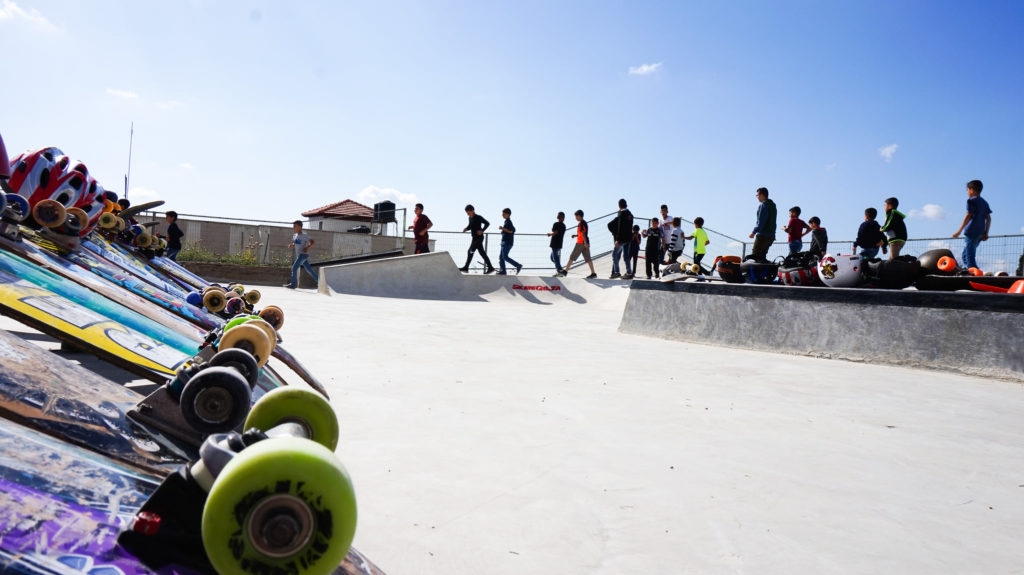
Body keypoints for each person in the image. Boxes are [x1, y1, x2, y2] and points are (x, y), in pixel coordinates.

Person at [952, 179, 992, 270]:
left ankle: (975, 274)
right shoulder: (984, 202)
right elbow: (988, 218)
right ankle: (971, 271)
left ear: (972, 190)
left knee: (970, 259)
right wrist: (986, 232)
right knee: (965, 256)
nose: (967, 192)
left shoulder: (971, 201)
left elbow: (968, 215)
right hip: (980, 232)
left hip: (971, 231)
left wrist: (959, 231)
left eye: (967, 190)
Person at [460, 204, 494, 274]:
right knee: (482, 253)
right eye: (467, 213)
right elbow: (470, 226)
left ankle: (466, 267)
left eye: (469, 212)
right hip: (474, 238)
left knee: (470, 250)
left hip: (479, 238)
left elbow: (487, 223)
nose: (468, 214)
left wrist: (482, 230)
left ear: (473, 210)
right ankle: (490, 268)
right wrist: (466, 229)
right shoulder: (470, 218)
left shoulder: (478, 217)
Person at [563, 210, 597, 279]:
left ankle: (565, 271)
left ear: (579, 216)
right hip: (585, 243)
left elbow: (583, 233)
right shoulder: (583, 223)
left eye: (576, 216)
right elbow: (582, 233)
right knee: (588, 259)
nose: (575, 218)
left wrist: (585, 243)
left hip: (581, 243)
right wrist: (576, 236)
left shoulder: (581, 223)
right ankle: (593, 273)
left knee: (572, 257)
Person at [285, 220, 318, 289]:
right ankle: (320, 282)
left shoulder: (304, 235)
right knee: (309, 269)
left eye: (295, 226)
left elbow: (312, 242)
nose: (293, 227)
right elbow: (297, 243)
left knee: (294, 268)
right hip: (300, 255)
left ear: (300, 227)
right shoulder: (295, 235)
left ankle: (293, 284)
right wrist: (292, 245)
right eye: (293, 226)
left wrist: (307, 247)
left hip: (303, 255)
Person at [606, 198, 634, 279]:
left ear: (619, 206)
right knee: (626, 257)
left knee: (614, 255)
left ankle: (616, 272)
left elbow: (620, 227)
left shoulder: (621, 214)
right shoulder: (630, 215)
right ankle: (629, 273)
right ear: (626, 205)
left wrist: (617, 239)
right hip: (628, 239)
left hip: (621, 239)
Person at [748, 187, 776, 261]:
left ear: (761, 195)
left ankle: (754, 273)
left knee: (754, 256)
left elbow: (761, 221)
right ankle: (763, 272)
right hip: (771, 236)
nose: (757, 197)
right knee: (762, 257)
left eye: (757, 195)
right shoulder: (773, 205)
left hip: (763, 235)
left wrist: (753, 232)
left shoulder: (763, 205)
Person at [496, 208, 522, 275]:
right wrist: (503, 231)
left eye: (504, 214)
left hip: (507, 242)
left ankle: (517, 265)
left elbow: (511, 231)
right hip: (504, 242)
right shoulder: (506, 222)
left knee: (505, 257)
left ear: (508, 214)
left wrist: (502, 228)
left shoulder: (508, 222)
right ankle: (503, 271)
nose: (502, 215)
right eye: (502, 213)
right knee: (501, 257)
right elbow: (513, 230)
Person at [547, 212, 566, 276]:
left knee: (555, 258)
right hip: (559, 244)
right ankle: (559, 269)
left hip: (555, 243)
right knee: (553, 258)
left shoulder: (556, 224)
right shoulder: (564, 226)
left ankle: (560, 271)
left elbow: (555, 232)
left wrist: (550, 234)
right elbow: (556, 232)